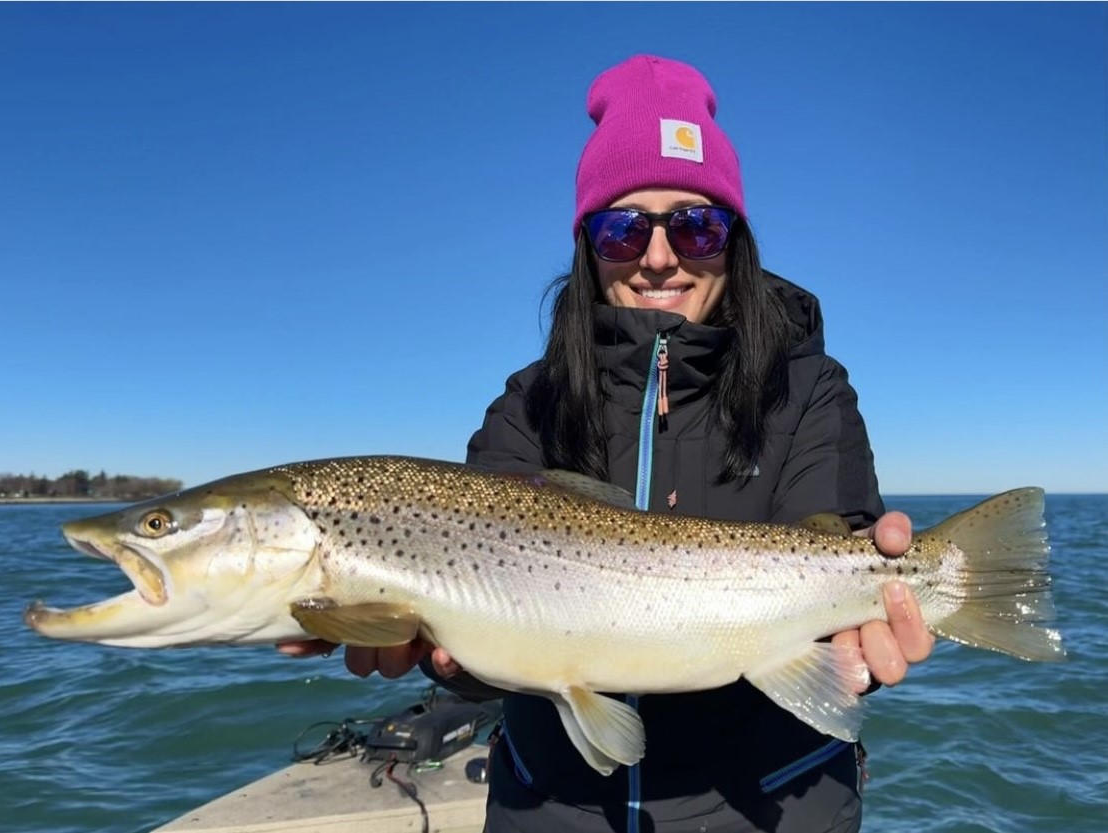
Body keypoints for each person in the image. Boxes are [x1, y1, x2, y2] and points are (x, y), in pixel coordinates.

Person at [281, 54, 934, 832]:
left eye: (696, 224)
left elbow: (837, 584)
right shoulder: (527, 403)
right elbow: (484, 648)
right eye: (623, 230)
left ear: (735, 240)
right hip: (549, 808)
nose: (660, 257)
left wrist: (870, 627)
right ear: (587, 246)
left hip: (774, 808)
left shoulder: (809, 390)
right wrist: (434, 651)